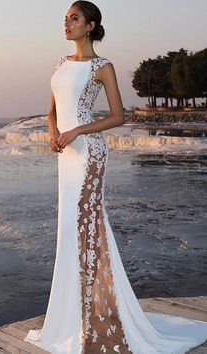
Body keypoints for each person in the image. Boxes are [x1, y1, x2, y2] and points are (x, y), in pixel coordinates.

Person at [24, 1, 207, 353]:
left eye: (74, 18)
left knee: (88, 227)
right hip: (66, 157)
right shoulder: (60, 64)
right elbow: (50, 111)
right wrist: (52, 133)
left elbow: (119, 117)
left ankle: (96, 314)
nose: (67, 23)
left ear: (90, 26)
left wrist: (77, 130)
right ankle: (72, 314)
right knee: (69, 229)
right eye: (65, 18)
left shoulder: (102, 67)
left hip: (89, 154)